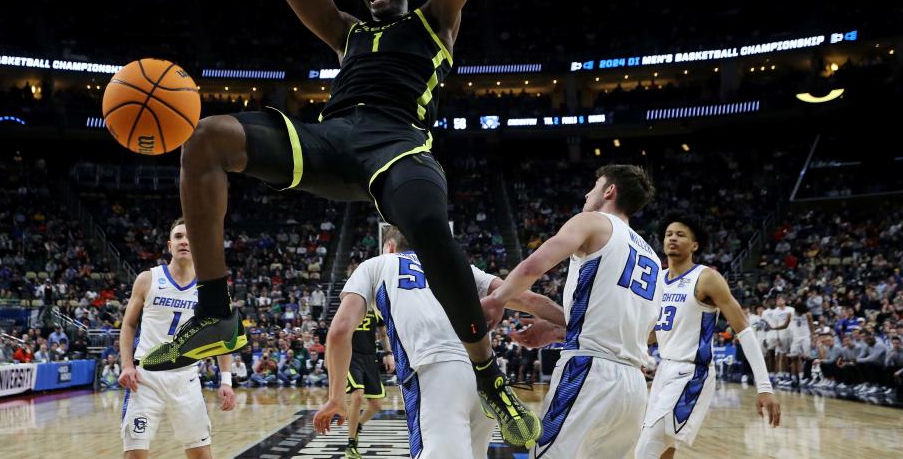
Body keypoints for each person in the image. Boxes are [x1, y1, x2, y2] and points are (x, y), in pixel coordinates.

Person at [140, 0, 538, 447]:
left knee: (431, 229)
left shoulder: (436, 22)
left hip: (399, 143)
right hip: (331, 140)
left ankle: (486, 373)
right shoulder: (347, 34)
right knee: (205, 138)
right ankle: (216, 313)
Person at [315, 226, 563, 457]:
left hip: (433, 372)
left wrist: (336, 398)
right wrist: (577, 327)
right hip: (485, 374)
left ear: (389, 246)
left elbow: (340, 331)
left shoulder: (377, 264)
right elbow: (530, 301)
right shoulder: (459, 266)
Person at [481, 165, 662, 459]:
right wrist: (561, 331)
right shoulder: (653, 259)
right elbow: (648, 333)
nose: (588, 193)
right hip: (634, 387)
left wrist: (498, 298)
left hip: (589, 371)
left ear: (609, 190)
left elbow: (533, 267)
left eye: (595, 185)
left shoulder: (592, 222)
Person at [634, 216, 781, 459]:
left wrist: (764, 387)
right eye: (669, 233)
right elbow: (653, 333)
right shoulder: (658, 280)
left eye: (681, 234)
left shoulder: (706, 278)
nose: (672, 237)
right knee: (664, 448)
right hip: (664, 371)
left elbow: (743, 328)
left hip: (693, 373)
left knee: (647, 447)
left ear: (695, 245)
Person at [118, 218, 236, 458]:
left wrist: (226, 381)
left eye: (190, 237)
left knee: (201, 454)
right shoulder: (147, 279)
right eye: (179, 237)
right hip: (145, 377)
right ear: (170, 245)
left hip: (186, 379)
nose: (185, 242)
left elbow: (224, 337)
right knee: (135, 454)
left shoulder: (213, 289)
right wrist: (127, 365)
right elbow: (128, 325)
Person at [343, 306, 395, 458]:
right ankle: (351, 444)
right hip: (351, 357)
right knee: (357, 396)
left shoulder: (375, 310)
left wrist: (388, 353)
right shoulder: (348, 305)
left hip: (370, 358)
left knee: (376, 405)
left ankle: (357, 424)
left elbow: (383, 334)